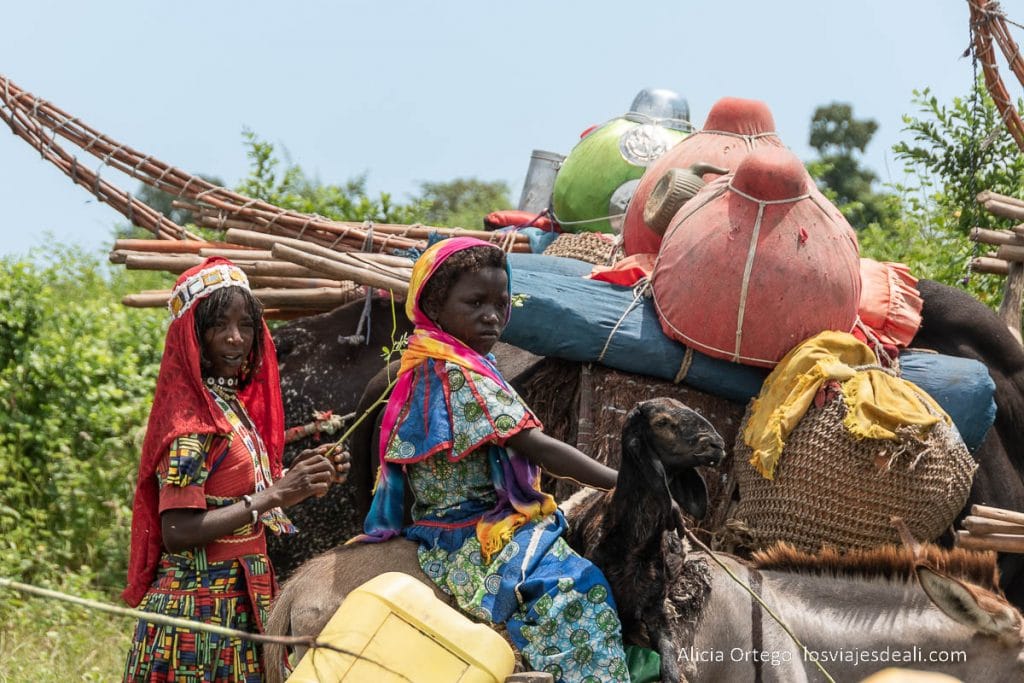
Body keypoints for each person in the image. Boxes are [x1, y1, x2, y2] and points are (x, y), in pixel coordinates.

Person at [354, 237, 629, 682]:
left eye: (501, 303)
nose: (492, 315)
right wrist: (622, 480)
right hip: (468, 534)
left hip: (435, 523)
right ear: (436, 308)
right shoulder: (460, 374)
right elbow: (538, 447)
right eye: (475, 302)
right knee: (578, 587)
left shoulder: (428, 363)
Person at [122, 256, 348, 682]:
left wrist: (301, 478)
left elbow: (240, 493)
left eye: (246, 325)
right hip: (201, 615)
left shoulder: (228, 407)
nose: (235, 338)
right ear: (193, 335)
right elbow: (177, 531)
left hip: (241, 598)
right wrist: (278, 494)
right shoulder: (191, 426)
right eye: (219, 326)